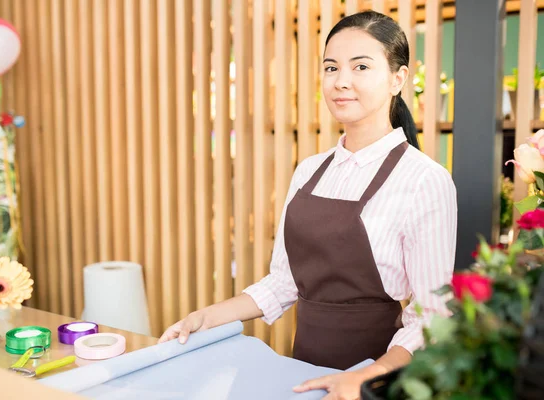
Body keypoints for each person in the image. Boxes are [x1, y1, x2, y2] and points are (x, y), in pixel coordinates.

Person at [159, 10, 457, 399]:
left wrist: (366, 376)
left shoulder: (424, 180)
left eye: (361, 66)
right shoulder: (309, 171)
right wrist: (208, 316)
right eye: (331, 68)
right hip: (301, 373)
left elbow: (432, 317)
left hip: (375, 381)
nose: (341, 82)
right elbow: (284, 283)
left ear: (398, 79)